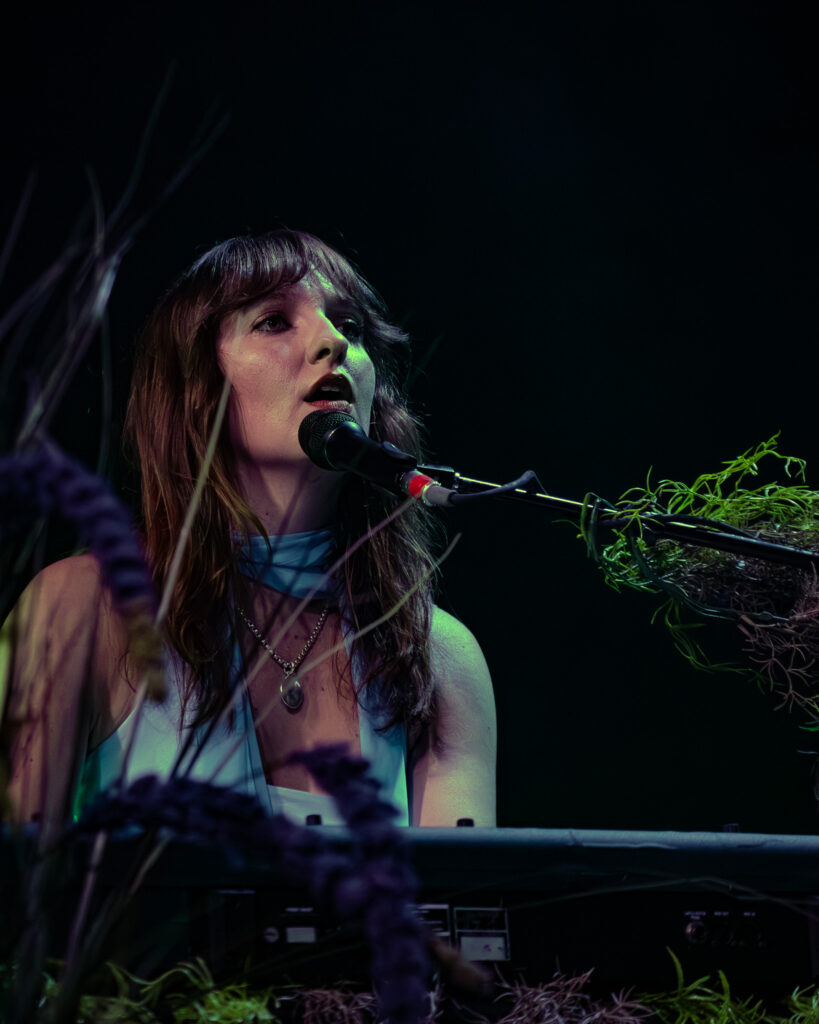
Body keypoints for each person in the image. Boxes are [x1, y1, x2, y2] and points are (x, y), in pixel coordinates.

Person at [2, 229, 496, 828]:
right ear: (195, 388)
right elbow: (21, 905)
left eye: (352, 326)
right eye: (273, 322)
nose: (333, 342)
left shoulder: (438, 655)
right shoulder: (81, 609)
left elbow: (449, 916)